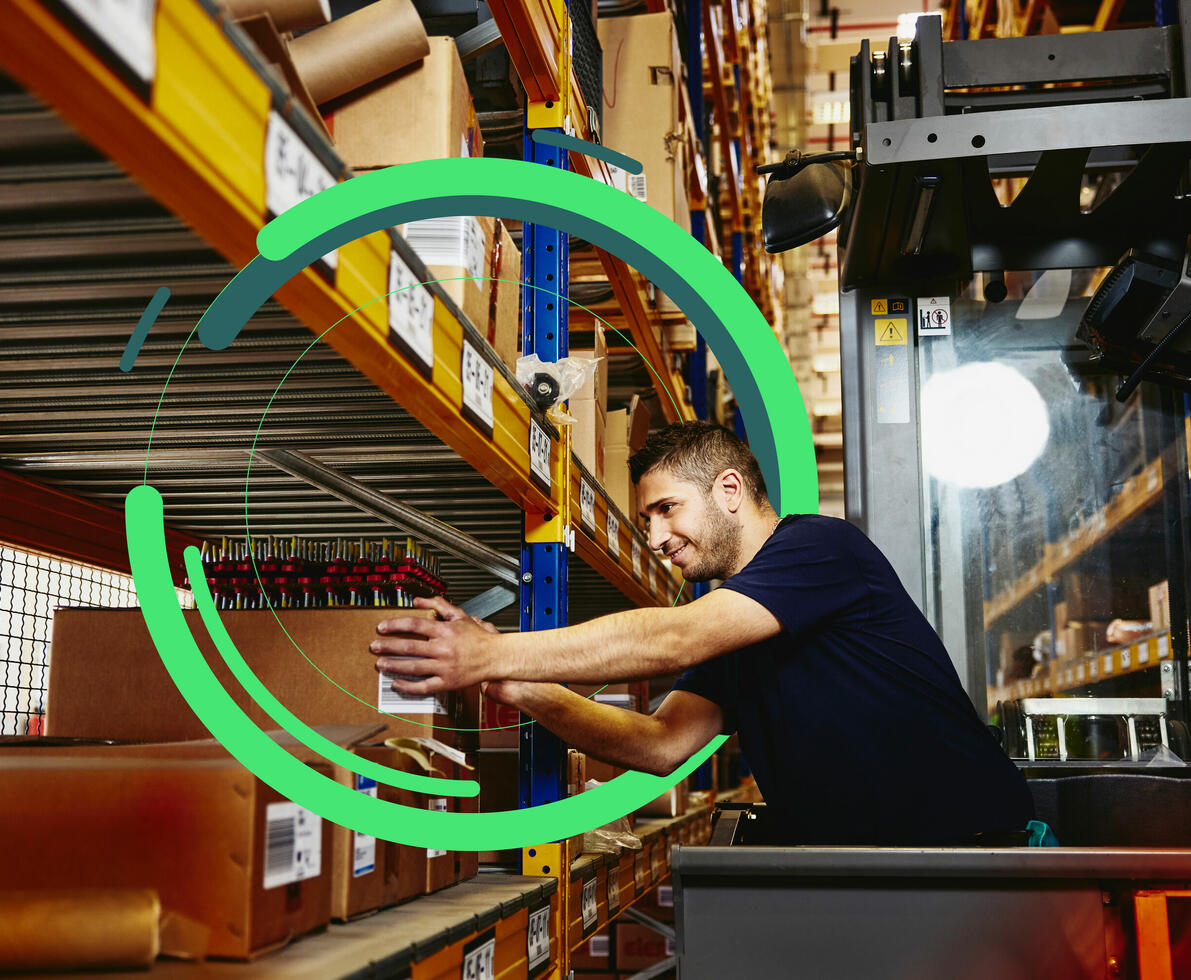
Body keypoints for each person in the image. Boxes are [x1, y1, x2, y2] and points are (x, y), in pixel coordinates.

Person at [371, 421, 1035, 845]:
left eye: (666, 510)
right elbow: (662, 744)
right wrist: (514, 684)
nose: (656, 538)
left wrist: (488, 649)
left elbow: (674, 640)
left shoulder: (821, 549)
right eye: (646, 519)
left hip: (972, 851)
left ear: (728, 489)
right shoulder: (740, 626)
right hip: (875, 864)